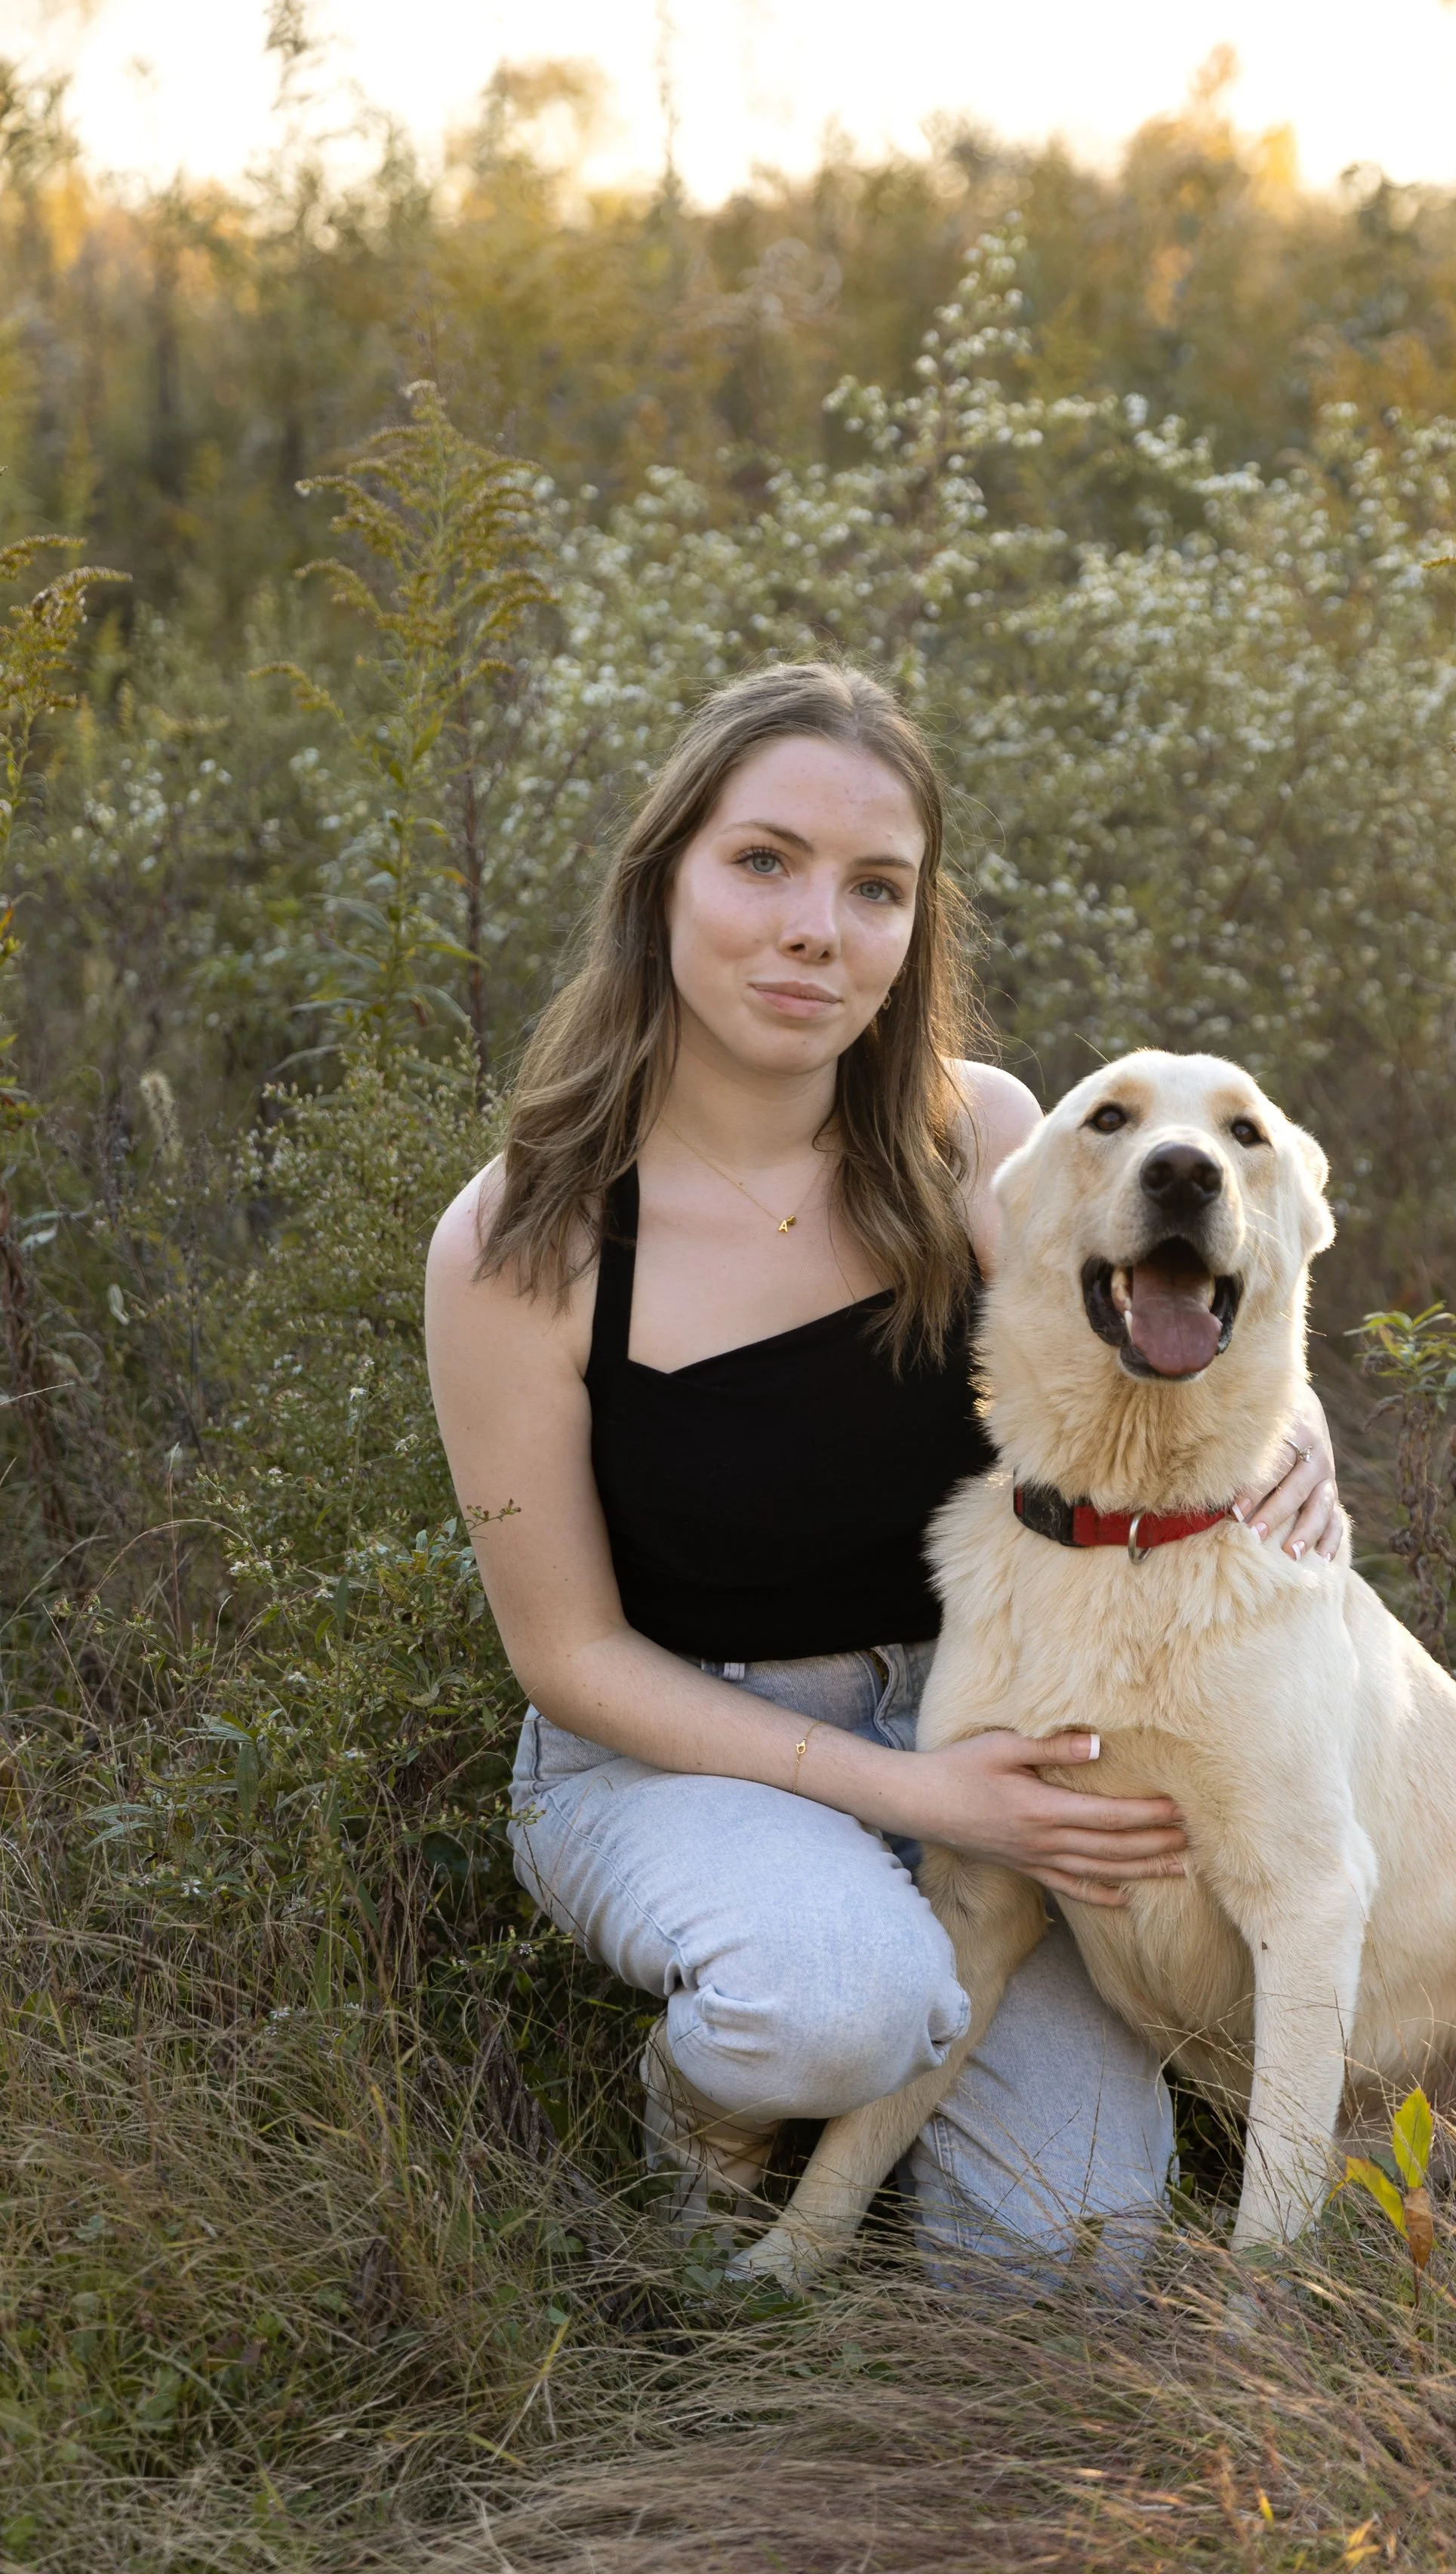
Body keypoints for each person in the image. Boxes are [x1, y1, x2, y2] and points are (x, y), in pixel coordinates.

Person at [425, 660, 1344, 2283]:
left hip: (1000, 1711)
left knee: (1065, 2270)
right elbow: (560, 1653)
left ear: (915, 927)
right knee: (825, 2008)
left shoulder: (977, 1135)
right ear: (663, 882)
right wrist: (910, 1795)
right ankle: (708, 2118)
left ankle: (898, 2140)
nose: (814, 930)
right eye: (761, 862)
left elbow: (1154, 1295)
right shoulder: (526, 1238)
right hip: (674, 1744)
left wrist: (1295, 1431)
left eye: (874, 889)